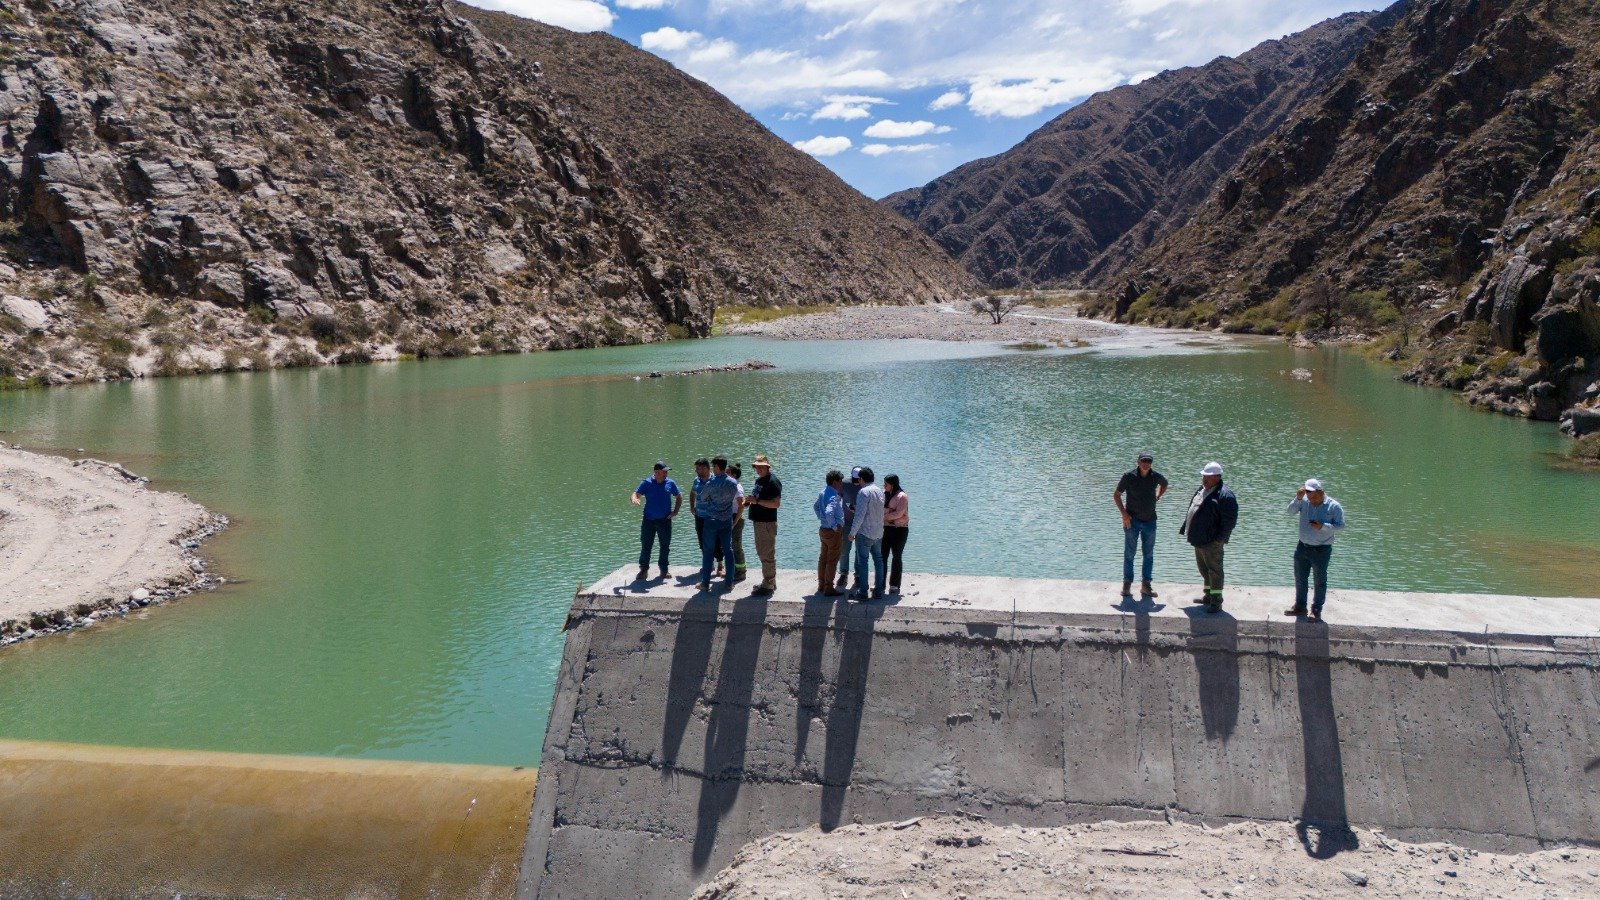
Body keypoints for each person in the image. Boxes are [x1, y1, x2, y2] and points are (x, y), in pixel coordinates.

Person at [1178, 461, 1238, 613]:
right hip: (1199, 539)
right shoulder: (1202, 490)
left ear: (1217, 477)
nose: (1204, 478)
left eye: (1208, 476)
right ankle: (1208, 596)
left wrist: (1219, 539)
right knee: (1204, 570)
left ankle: (1216, 602)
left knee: (1215, 571)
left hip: (1212, 541)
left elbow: (1229, 521)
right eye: (1204, 475)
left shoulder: (1225, 496)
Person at [1284, 478, 1345, 623]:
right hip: (1302, 546)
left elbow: (1341, 526)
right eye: (1306, 492)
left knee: (1319, 580)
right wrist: (1298, 498)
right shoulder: (1303, 501)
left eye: (1311, 492)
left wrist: (1323, 526)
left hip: (1321, 549)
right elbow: (1290, 512)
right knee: (1300, 578)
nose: (1308, 495)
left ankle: (1316, 610)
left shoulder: (1334, 506)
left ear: (1320, 492)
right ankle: (1300, 606)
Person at [1113, 451, 1169, 598]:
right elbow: (1116, 495)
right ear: (1138, 462)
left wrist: (1158, 496)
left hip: (1150, 521)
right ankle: (1127, 585)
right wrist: (1124, 514)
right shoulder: (1129, 476)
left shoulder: (1155, 476)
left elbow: (1165, 484)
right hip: (1132, 521)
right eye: (1143, 461)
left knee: (1148, 555)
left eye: (1148, 461)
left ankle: (1146, 586)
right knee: (1129, 554)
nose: (1146, 463)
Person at [695, 456, 740, 592]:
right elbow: (735, 497)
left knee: (708, 551)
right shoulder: (733, 483)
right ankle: (729, 583)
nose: (713, 469)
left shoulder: (711, 483)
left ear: (717, 467)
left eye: (713, 466)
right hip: (726, 520)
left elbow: (702, 497)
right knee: (728, 550)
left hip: (711, 521)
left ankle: (705, 583)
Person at [630, 461, 681, 580]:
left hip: (665, 520)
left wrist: (675, 512)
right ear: (657, 473)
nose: (666, 474)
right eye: (664, 472)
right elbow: (636, 493)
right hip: (649, 520)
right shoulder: (647, 483)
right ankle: (643, 570)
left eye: (666, 472)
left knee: (665, 545)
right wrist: (634, 499)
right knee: (646, 545)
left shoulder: (670, 483)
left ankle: (664, 570)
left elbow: (678, 496)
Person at [745, 454, 782, 595]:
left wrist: (757, 502)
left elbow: (776, 504)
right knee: (763, 552)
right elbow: (758, 498)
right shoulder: (761, 481)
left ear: (767, 467)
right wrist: (750, 501)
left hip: (766, 523)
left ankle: (768, 585)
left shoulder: (772, 482)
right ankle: (770, 582)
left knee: (766, 553)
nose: (758, 469)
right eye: (757, 467)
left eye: (761, 467)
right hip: (760, 522)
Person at [848, 467, 887, 601]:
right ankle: (878, 592)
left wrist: (852, 533)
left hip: (865, 532)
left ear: (861, 479)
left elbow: (860, 515)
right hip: (879, 532)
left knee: (863, 562)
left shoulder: (863, 492)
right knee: (878, 561)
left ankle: (863, 592)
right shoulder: (880, 491)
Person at [814, 470, 847, 596]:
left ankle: (821, 585)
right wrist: (834, 526)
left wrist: (821, 518)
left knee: (823, 557)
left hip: (823, 529)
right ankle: (829, 587)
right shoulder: (834, 496)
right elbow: (829, 512)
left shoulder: (822, 492)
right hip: (832, 532)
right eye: (840, 482)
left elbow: (816, 507)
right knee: (832, 560)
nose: (841, 484)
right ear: (835, 482)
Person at [835, 467, 863, 590]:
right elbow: (837, 499)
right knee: (844, 551)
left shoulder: (865, 485)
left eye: (858, 479)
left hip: (862, 524)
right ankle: (843, 574)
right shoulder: (844, 484)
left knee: (859, 551)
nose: (857, 482)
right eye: (855, 479)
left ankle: (857, 575)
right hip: (846, 522)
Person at [881, 474, 909, 595]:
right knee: (882, 556)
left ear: (892, 485)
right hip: (886, 528)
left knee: (896, 556)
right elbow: (881, 509)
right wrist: (888, 514)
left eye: (886, 484)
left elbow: (899, 513)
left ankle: (894, 585)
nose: (884, 486)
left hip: (899, 529)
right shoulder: (883, 494)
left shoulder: (902, 496)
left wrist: (884, 516)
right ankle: (880, 583)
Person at [726, 463, 748, 582]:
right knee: (730, 546)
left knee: (736, 546)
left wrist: (735, 522)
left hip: (736, 518)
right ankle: (733, 569)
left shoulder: (737, 488)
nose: (725, 474)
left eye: (728, 472)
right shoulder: (729, 486)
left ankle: (741, 572)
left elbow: (741, 506)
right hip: (729, 516)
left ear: (734, 475)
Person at [688, 457, 712, 565]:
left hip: (712, 516)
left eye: (698, 469)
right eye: (696, 469)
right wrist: (692, 506)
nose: (696, 471)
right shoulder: (696, 480)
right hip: (699, 515)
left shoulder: (715, 480)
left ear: (706, 468)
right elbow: (692, 493)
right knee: (702, 540)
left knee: (715, 541)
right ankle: (708, 563)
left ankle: (720, 564)